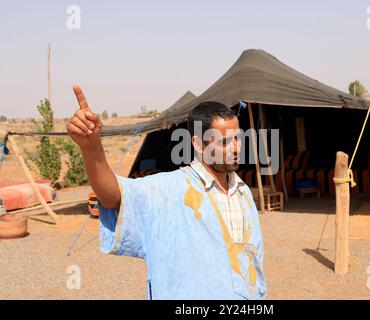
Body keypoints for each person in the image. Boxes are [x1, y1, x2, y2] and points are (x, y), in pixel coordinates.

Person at [66, 85, 267, 300]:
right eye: (225, 141)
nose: (236, 147)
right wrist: (91, 148)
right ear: (199, 145)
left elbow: (254, 258)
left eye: (237, 138)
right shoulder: (168, 189)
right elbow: (114, 196)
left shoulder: (242, 192)